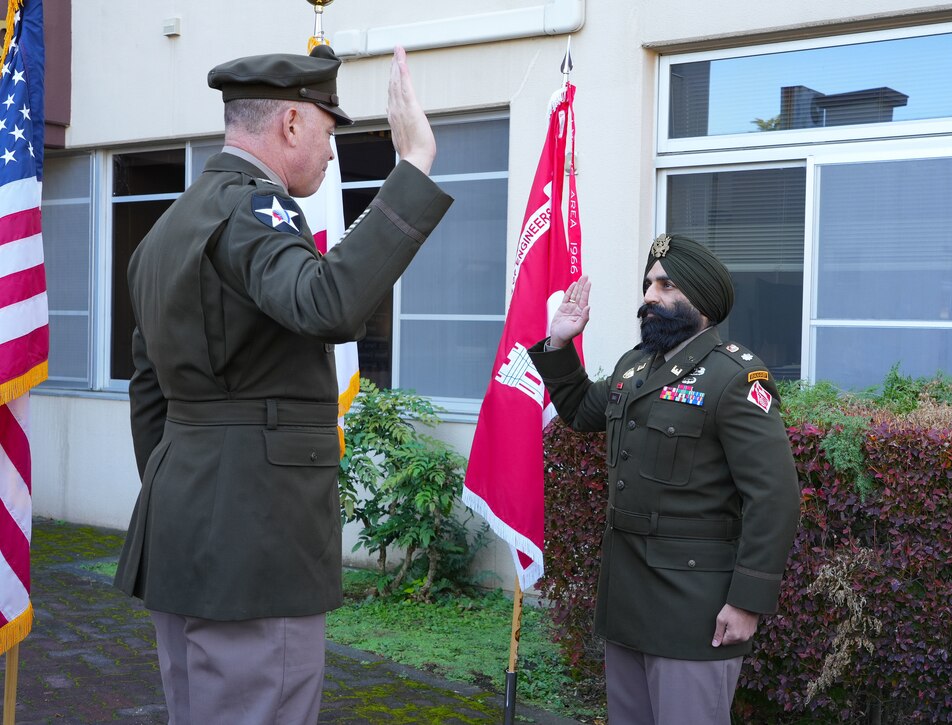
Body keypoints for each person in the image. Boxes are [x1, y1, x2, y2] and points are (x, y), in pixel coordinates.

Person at [113, 44, 452, 725]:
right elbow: (326, 301)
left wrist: (193, 486)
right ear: (292, 124)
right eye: (329, 132)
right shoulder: (252, 211)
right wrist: (411, 167)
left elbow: (149, 389)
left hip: (188, 528)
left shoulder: (167, 228)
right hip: (256, 540)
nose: (332, 154)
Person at [528, 234, 801, 724]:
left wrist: (747, 602)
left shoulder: (735, 378)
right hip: (627, 597)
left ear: (701, 300)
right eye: (649, 284)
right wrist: (560, 342)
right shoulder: (636, 365)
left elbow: (775, 498)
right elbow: (581, 411)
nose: (650, 296)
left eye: (666, 285)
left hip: (693, 607)